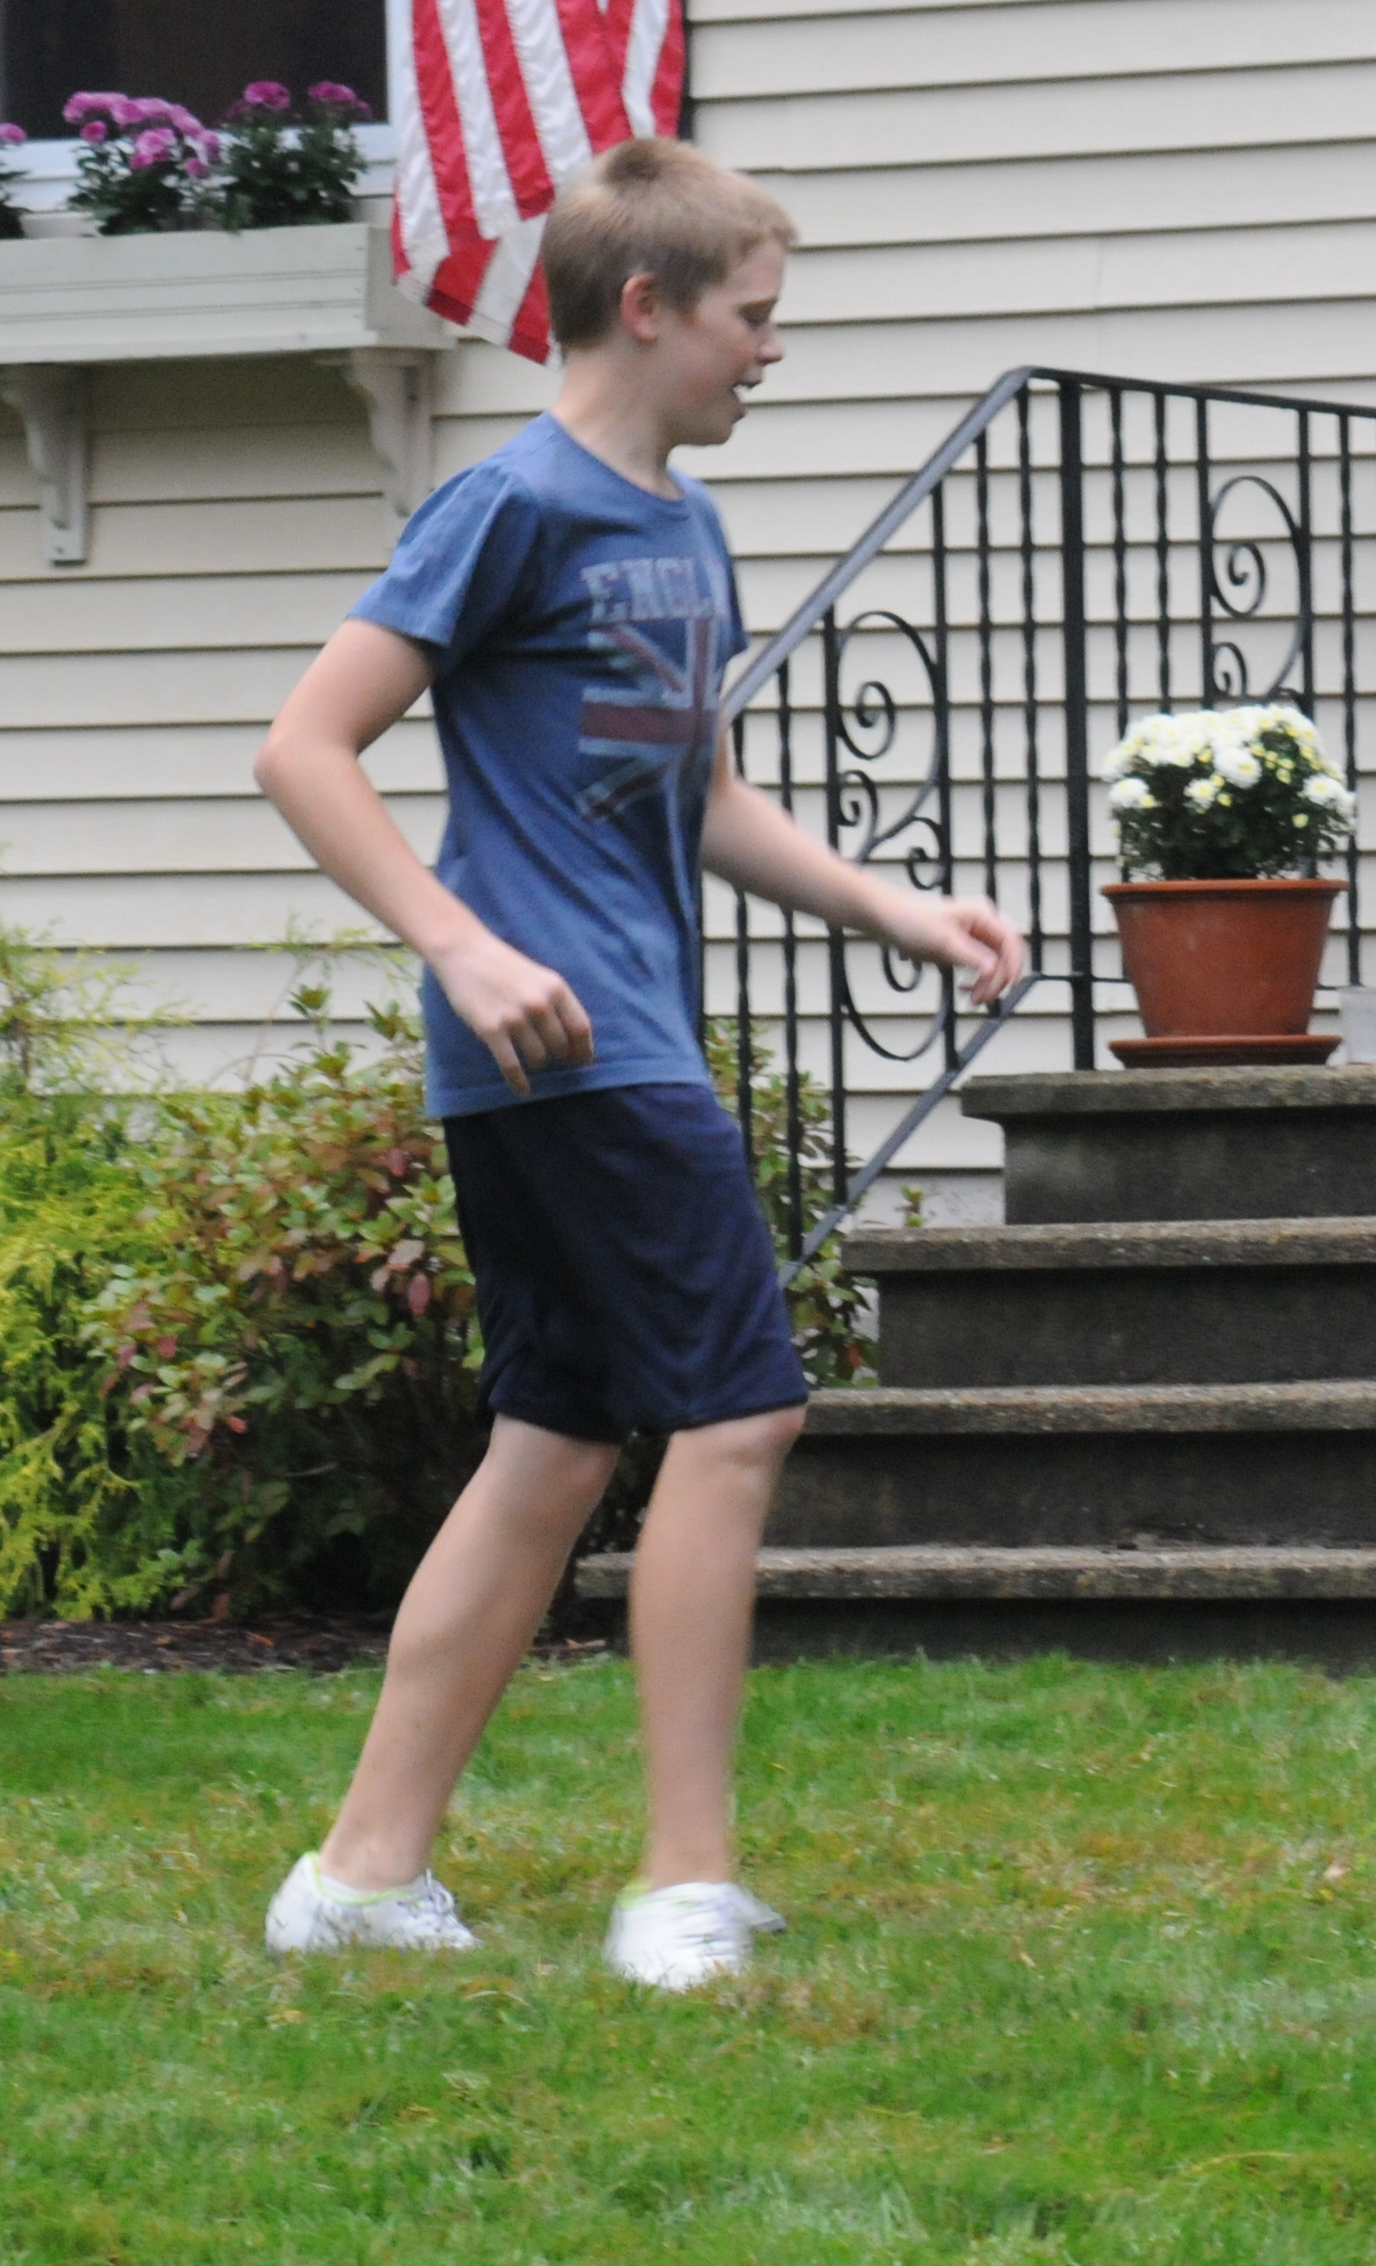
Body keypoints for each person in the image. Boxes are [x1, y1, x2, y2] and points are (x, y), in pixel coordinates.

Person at [247, 140, 1023, 1986]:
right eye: (753, 316)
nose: (773, 349)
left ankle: (359, 1877)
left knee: (553, 1446)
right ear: (650, 307)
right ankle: (681, 1887)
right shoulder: (511, 505)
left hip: (611, 1038)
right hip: (566, 1045)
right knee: (740, 1414)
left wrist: (892, 907)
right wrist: (460, 941)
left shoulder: (684, 524)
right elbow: (304, 747)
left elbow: (703, 789)